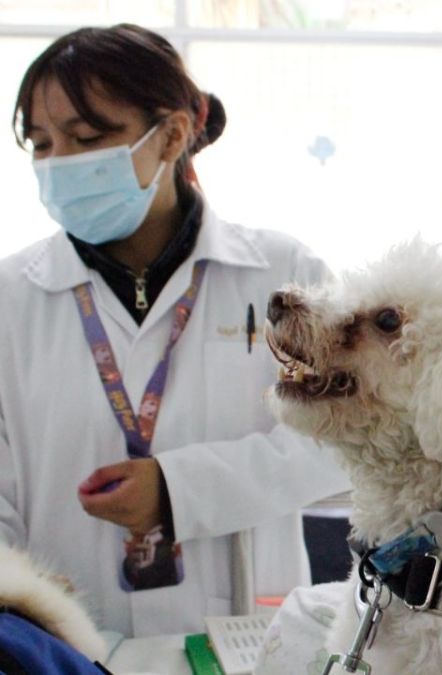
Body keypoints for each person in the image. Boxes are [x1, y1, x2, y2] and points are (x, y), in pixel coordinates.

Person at [0, 23, 350, 637]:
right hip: (69, 643)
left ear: (172, 136)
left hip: (245, 638)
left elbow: (344, 445)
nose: (58, 165)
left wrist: (181, 490)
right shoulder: (10, 297)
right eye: (41, 143)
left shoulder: (282, 274)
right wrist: (19, 598)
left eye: (86, 137)